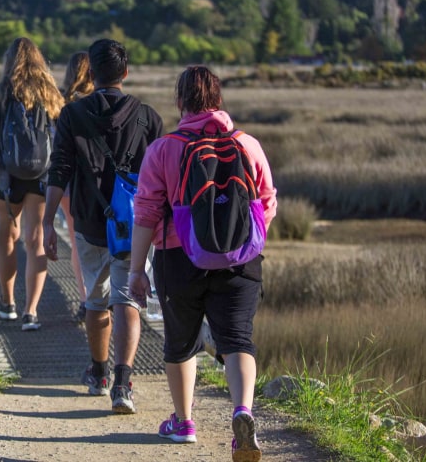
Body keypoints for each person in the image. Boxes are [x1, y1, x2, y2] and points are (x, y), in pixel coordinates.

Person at [127, 65, 276, 460]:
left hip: (179, 258)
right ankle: (243, 410)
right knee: (237, 340)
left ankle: (184, 421)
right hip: (241, 261)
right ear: (219, 99)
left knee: (181, 342)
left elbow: (145, 213)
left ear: (180, 102)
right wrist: (242, 241)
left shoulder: (163, 149)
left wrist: (135, 270)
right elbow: (266, 202)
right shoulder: (248, 144)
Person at [42, 38, 163, 414]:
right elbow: (161, 178)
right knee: (126, 299)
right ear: (125, 73)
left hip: (91, 223)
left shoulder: (72, 115)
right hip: (136, 225)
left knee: (96, 300)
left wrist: (47, 222)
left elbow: (59, 170)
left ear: (91, 74)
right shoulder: (148, 118)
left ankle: (98, 373)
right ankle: (124, 383)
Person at [0, 37, 63, 332]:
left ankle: (8, 303)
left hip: (6, 176)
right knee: (36, 238)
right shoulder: (50, 93)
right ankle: (31, 312)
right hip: (42, 175)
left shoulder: (0, 94)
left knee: (7, 235)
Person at [58, 51, 95, 322]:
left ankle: (86, 300)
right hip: (98, 182)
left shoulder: (59, 102)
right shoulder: (100, 100)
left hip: (68, 183)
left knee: (77, 241)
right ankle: (103, 298)